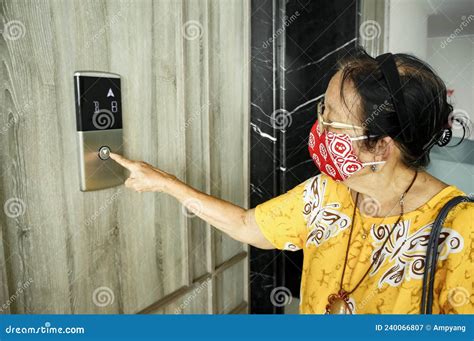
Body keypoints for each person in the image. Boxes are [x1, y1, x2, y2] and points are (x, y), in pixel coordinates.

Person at [110, 46, 473, 314]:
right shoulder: (326, 193)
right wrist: (166, 183)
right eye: (322, 111)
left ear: (380, 147)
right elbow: (247, 224)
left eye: (331, 121)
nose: (318, 128)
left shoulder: (460, 229)